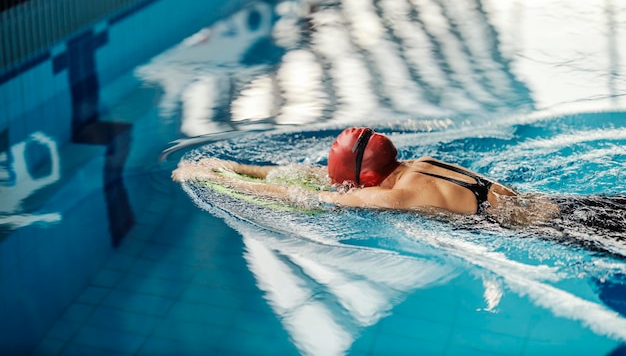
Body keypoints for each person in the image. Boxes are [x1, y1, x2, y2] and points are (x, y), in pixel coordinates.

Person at [172, 127, 563, 222]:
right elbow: (304, 175)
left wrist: (219, 181)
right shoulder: (420, 163)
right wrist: (237, 167)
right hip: (559, 205)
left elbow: (299, 195)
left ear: (368, 182)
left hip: (544, 228)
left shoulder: (391, 197)